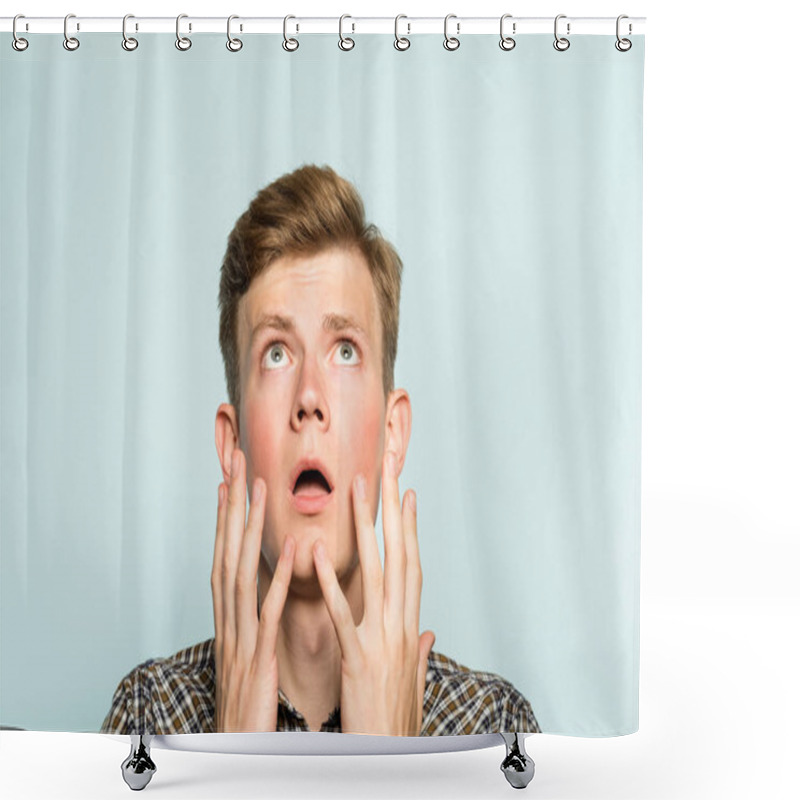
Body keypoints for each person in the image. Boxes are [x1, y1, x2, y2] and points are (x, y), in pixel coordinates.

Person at [101, 164, 539, 736]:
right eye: (277, 353)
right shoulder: (148, 718)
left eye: (346, 351)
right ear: (233, 446)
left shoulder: (494, 727)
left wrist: (391, 772)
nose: (309, 397)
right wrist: (232, 761)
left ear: (393, 433)